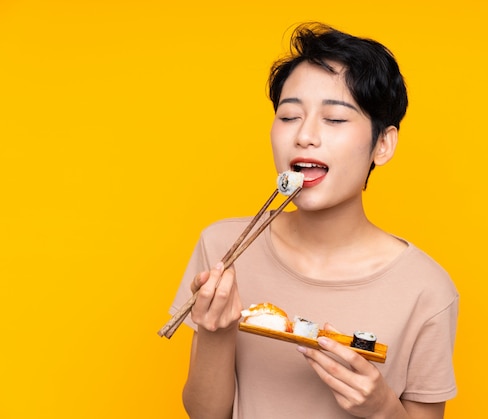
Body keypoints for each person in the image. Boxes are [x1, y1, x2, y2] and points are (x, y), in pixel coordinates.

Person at [168, 22, 459, 419]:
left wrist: (382, 409)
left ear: (383, 144)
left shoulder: (427, 290)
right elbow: (205, 414)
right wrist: (216, 334)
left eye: (335, 120)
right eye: (289, 117)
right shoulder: (223, 248)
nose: (304, 136)